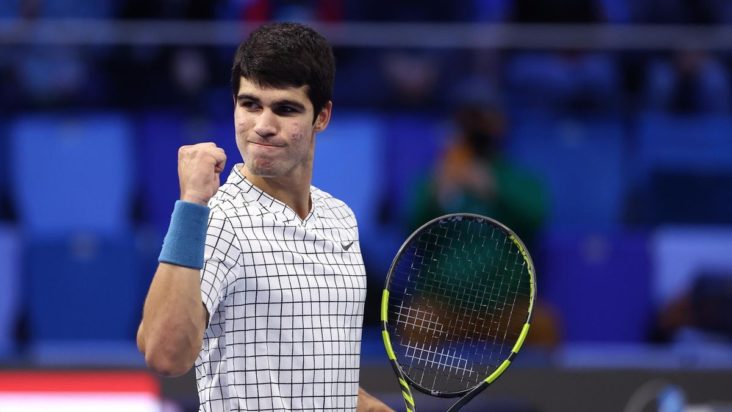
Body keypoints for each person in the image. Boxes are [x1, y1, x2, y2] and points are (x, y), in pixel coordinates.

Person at [136, 22, 392, 412]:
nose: (263, 126)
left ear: (322, 116)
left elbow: (315, 379)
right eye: (250, 104)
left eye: (285, 109)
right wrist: (190, 204)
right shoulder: (217, 219)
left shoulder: (340, 219)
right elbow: (164, 354)